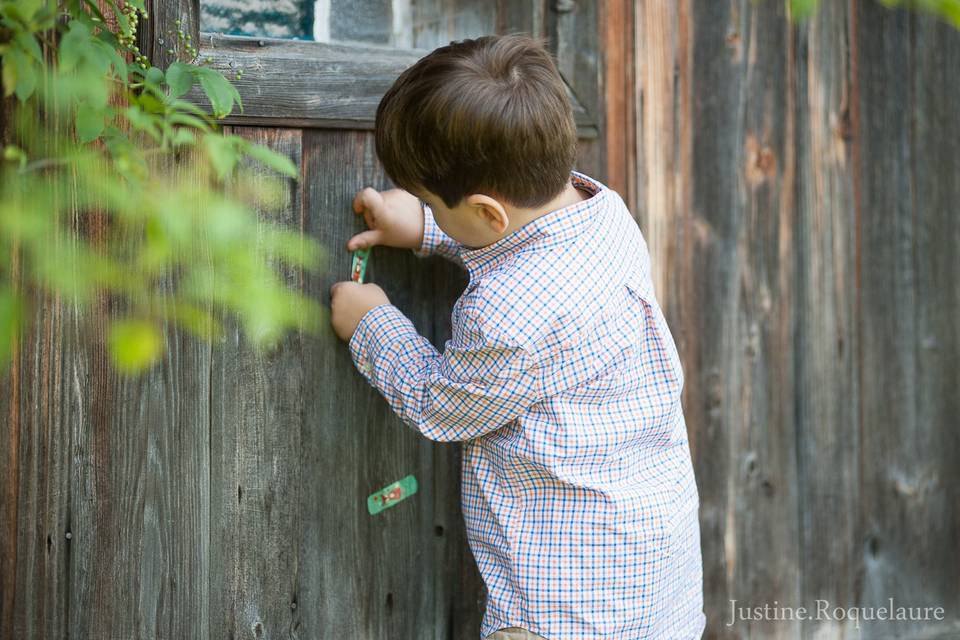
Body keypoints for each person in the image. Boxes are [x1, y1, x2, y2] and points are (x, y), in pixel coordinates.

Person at [329, 33, 706, 640]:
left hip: (567, 605)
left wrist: (371, 322)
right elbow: (523, 249)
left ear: (485, 211)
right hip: (652, 564)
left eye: (431, 199)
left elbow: (438, 402)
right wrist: (429, 225)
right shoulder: (602, 210)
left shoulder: (503, 321)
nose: (428, 206)